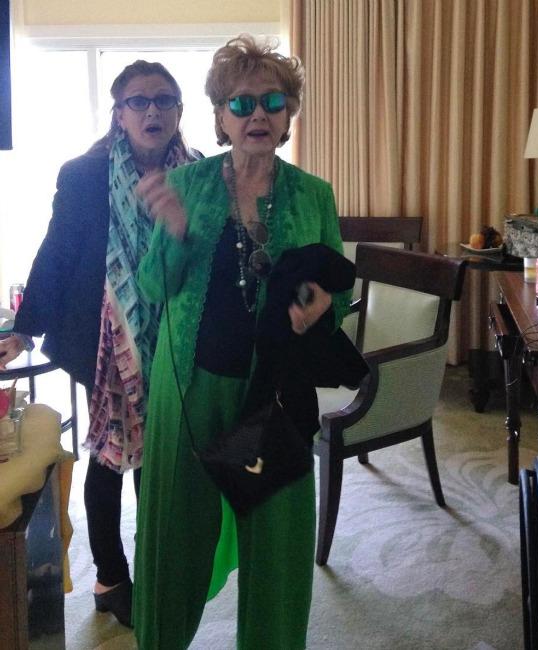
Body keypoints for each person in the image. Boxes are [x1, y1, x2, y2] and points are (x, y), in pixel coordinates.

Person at [132, 35, 354, 649]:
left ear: (288, 115)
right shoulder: (188, 183)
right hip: (191, 390)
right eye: (242, 102)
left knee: (277, 546)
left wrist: (322, 307)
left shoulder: (314, 194)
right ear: (221, 117)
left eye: (273, 101)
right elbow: (151, 287)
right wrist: (176, 232)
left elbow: (335, 289)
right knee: (175, 539)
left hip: (274, 396)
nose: (259, 113)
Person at [0, 60, 200, 627]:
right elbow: (57, 250)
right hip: (102, 339)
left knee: (159, 456)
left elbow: (207, 249)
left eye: (164, 99)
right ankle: (111, 577)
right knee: (114, 454)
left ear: (179, 111)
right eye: (138, 101)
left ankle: (155, 563)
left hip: (175, 336)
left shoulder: (199, 174)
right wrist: (24, 327)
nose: (152, 110)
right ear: (119, 114)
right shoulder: (85, 174)